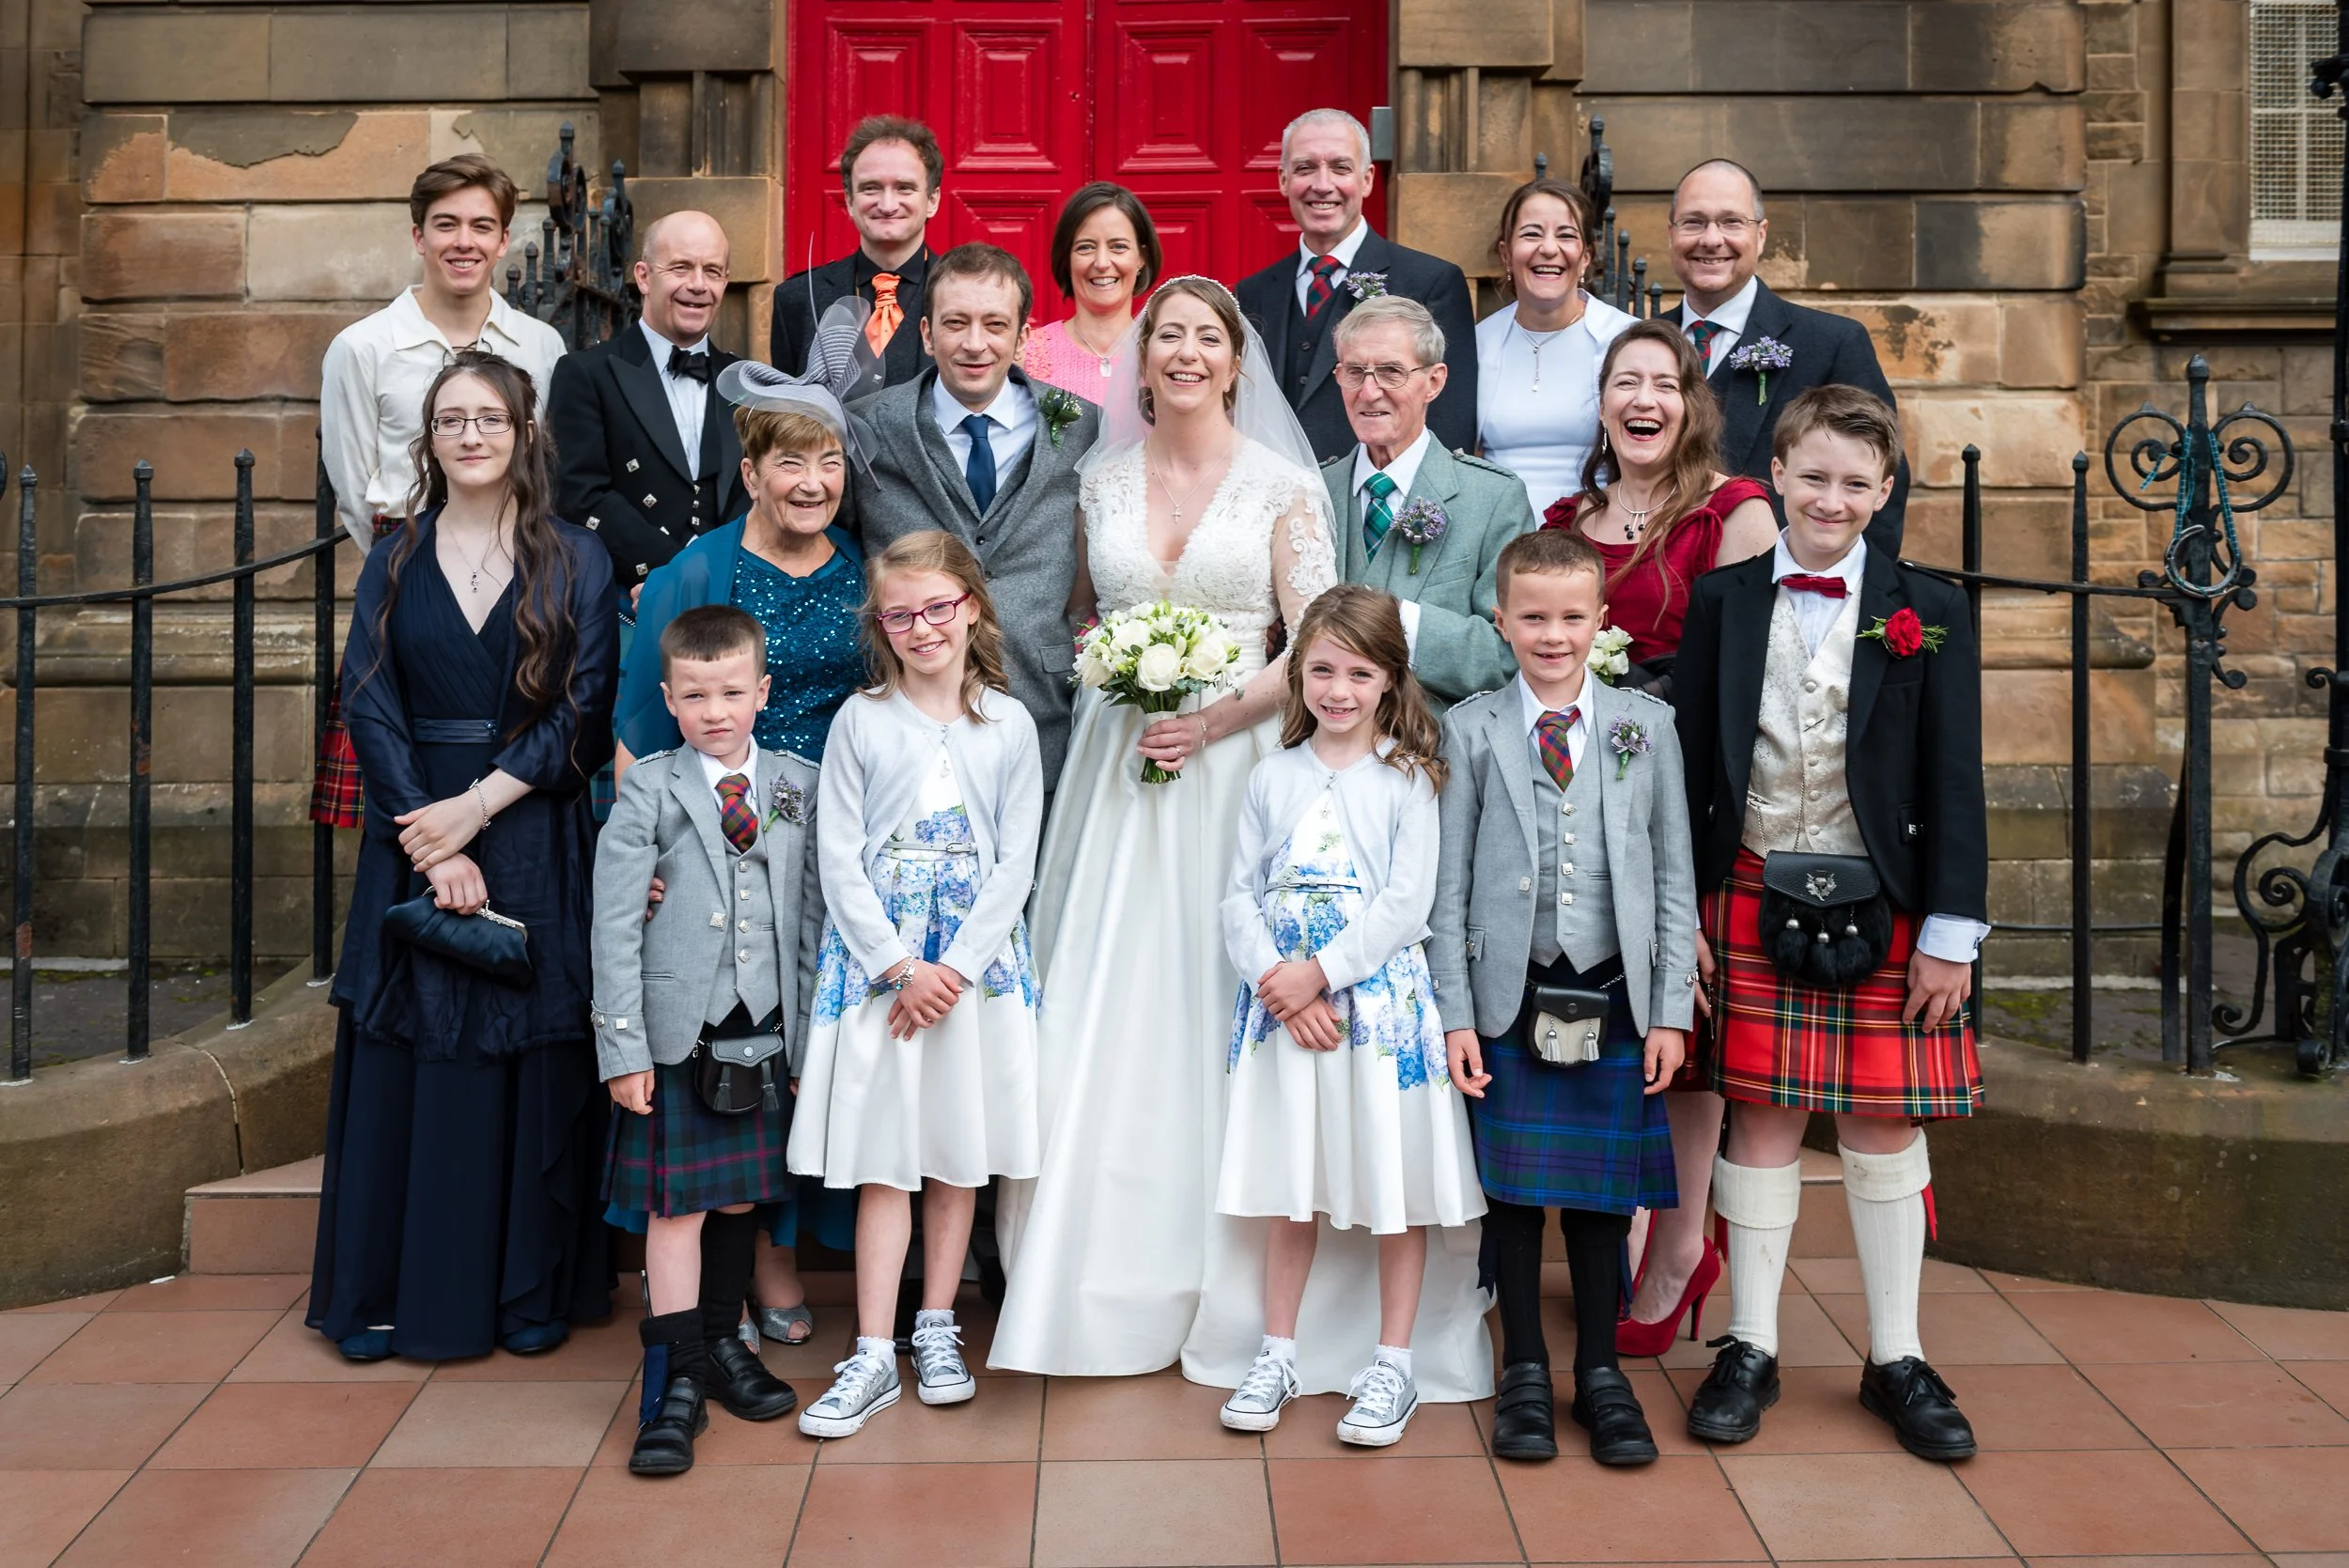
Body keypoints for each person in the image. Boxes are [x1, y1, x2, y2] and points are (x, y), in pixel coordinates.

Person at [989, 276, 1488, 1405]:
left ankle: (1261, 1299)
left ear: (1234, 360)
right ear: (1142, 356)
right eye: (1165, 335)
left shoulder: (1280, 485)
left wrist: (1212, 716)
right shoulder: (1099, 479)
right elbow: (1082, 614)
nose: (1181, 352)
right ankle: (1101, 1266)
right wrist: (1117, 674)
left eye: (1204, 337)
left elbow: (1313, 636)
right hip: (1120, 772)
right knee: (1112, 997)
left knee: (1229, 986)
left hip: (1235, 762)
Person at [1672, 386, 1987, 1460]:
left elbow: (1955, 774)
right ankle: (1749, 1345)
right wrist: (1688, 914)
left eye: (1856, 482)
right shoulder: (1722, 599)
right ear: (1777, 474)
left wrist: (1952, 929)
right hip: (1752, 880)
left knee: (1883, 1128)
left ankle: (1894, 1354)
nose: (1831, 498)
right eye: (1812, 476)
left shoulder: (1927, 603)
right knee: (1755, 1114)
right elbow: (1689, 764)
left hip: (1884, 897)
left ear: (1885, 492)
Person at [307, 350, 615, 1361]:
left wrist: (478, 808)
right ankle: (392, 1289)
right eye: (451, 421)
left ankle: (525, 1290)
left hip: (526, 817)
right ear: (429, 441)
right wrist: (429, 838)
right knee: (416, 1052)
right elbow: (369, 700)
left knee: (523, 1054)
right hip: (416, 831)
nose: (472, 435)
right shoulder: (394, 558)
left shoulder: (576, 556)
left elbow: (583, 701)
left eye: (490, 417)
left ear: (526, 433)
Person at [612, 314, 877, 1345]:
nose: (811, 480)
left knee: (811, 1046)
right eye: (787, 460)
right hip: (723, 838)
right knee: (738, 1046)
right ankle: (752, 1266)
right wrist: (650, 859)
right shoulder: (695, 573)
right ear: (752, 468)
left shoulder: (865, 573)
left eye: (827, 459)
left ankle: (791, 1242)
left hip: (834, 833)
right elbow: (641, 726)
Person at [1431, 527, 1697, 1466]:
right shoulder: (1467, 728)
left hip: (1616, 994)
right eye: (1532, 617)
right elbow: (1446, 886)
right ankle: (1526, 1376)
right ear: (1499, 621)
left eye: (1571, 617)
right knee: (1508, 1199)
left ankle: (1600, 1375)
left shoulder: (1645, 725)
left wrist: (1670, 1009)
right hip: (1509, 996)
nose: (1553, 635)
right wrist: (1456, 1014)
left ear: (1599, 620)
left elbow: (1671, 875)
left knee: (1598, 1202)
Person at [1536, 318, 1775, 1357]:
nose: (1644, 399)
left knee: (1693, 1019)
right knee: (1617, 1013)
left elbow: (1750, 676)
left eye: (1664, 382)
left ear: (1690, 402)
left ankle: (1681, 1245)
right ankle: (1630, 1219)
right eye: (1624, 381)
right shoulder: (1563, 517)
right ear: (1600, 404)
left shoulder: (1733, 513)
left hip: (1690, 788)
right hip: (1577, 795)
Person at [1214, 585, 1485, 1447]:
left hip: (1377, 1013)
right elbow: (1237, 897)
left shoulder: (1408, 780)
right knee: (1294, 1185)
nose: (1337, 689)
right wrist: (1278, 981)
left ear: (1389, 680)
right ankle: (1278, 1351)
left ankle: (1395, 1362)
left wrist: (1324, 975)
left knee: (1388, 1184)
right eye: (1321, 670)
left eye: (1358, 672)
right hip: (1285, 1014)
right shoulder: (1271, 775)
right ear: (1298, 678)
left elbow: (1408, 904)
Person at [790, 532, 1045, 1438]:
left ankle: (937, 1323)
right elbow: (838, 854)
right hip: (881, 964)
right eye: (901, 614)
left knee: (952, 1146)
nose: (922, 626)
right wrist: (899, 965)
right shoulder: (862, 718)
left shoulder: (1008, 724)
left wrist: (957, 968)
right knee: (885, 1153)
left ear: (972, 606)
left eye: (939, 606)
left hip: (974, 967)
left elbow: (1017, 860)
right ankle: (871, 1349)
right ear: (882, 626)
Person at [591, 605, 817, 1473]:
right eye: (694, 694)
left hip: (765, 1028)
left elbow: (809, 916)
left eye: (731, 691)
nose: (715, 709)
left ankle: (724, 1345)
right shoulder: (648, 784)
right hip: (675, 1032)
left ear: (762, 690)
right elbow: (613, 923)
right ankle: (677, 1379)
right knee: (676, 1207)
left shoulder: (799, 779)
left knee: (736, 1202)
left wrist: (807, 1048)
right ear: (669, 698)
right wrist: (623, 1050)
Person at [314, 155, 567, 831]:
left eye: (482, 226)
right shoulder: (362, 348)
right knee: (411, 776)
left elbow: (542, 473)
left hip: (518, 571)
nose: (465, 241)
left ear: (504, 240)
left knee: (512, 763)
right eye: (446, 224)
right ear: (418, 235)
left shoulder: (540, 345)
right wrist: (413, 562)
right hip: (408, 570)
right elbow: (350, 484)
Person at [843, 243, 1100, 791]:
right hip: (904, 712)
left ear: (1023, 337)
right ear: (928, 333)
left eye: (995, 324)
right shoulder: (868, 428)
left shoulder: (1082, 426)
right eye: (956, 323)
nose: (975, 344)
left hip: (1041, 708)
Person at [1664, 159, 1908, 555]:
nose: (1711, 239)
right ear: (1671, 234)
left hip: (1779, 583)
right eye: (1694, 222)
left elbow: (1879, 473)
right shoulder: (1640, 343)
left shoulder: (1832, 343)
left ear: (1760, 235)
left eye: (1731, 222)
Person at [1319, 296, 1531, 707]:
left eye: (1391, 372)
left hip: (1439, 753)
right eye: (1354, 372)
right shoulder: (1311, 492)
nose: (1368, 391)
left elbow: (1511, 654)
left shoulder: (1493, 498)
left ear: (1434, 381)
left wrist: (1399, 622)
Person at [1234, 109, 1479, 462]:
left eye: (1340, 167)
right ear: (1283, 180)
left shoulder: (1432, 282)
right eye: (1305, 168)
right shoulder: (1253, 292)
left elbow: (1450, 420)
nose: (1322, 184)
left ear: (1366, 179)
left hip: (1380, 504)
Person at [548, 210, 750, 598]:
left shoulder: (747, 380)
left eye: (713, 271)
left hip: (734, 593)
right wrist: (676, 573)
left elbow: (758, 489)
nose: (697, 285)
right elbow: (577, 496)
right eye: (680, 268)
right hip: (629, 595)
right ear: (643, 276)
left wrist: (727, 572)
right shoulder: (585, 374)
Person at [1475, 179, 1638, 515]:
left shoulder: (1625, 339)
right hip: (1498, 540)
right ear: (1506, 253)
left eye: (1566, 235)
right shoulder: (1478, 341)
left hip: (1598, 534)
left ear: (1585, 257)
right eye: (1532, 234)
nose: (1549, 248)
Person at [772, 116, 941, 388]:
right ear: (850, 201)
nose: (887, 205)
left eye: (904, 188)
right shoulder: (797, 297)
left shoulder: (969, 295)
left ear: (932, 200)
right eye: (871, 188)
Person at [1021, 181, 1162, 394]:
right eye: (1085, 247)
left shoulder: (1165, 353)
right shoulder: (1026, 352)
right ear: (1066, 259)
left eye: (1118, 247)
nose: (1102, 263)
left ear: (1141, 257)